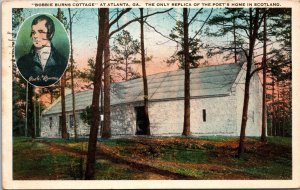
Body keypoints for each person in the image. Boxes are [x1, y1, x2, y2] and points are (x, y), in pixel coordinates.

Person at [17, 15, 68, 87]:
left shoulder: (62, 61)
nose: (35, 36)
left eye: (40, 31)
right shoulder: (22, 62)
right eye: (33, 32)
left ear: (51, 34)